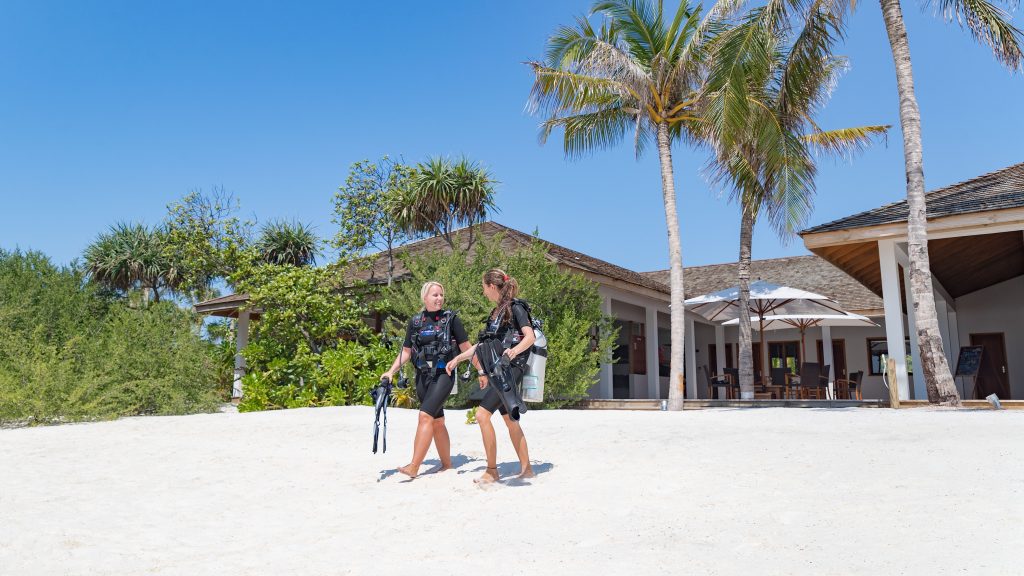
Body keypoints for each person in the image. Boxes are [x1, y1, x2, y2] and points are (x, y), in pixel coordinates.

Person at [447, 268, 535, 484]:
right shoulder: (495, 313)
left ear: (491, 286)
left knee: (482, 415)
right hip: (498, 370)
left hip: (510, 369)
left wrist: (514, 351)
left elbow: (530, 336)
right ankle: (527, 469)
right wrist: (459, 358)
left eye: (484, 287)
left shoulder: (516, 308)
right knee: (509, 419)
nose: (483, 291)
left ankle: (492, 470)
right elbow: (482, 345)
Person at [381, 281, 471, 479]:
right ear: (425, 298)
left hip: (443, 374)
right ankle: (447, 464)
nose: (439, 298)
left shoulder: (451, 319)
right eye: (434, 295)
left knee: (425, 416)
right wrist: (391, 371)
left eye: (441, 294)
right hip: (422, 376)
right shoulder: (415, 322)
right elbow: (406, 352)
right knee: (437, 421)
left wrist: (482, 371)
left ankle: (414, 466)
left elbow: (466, 346)